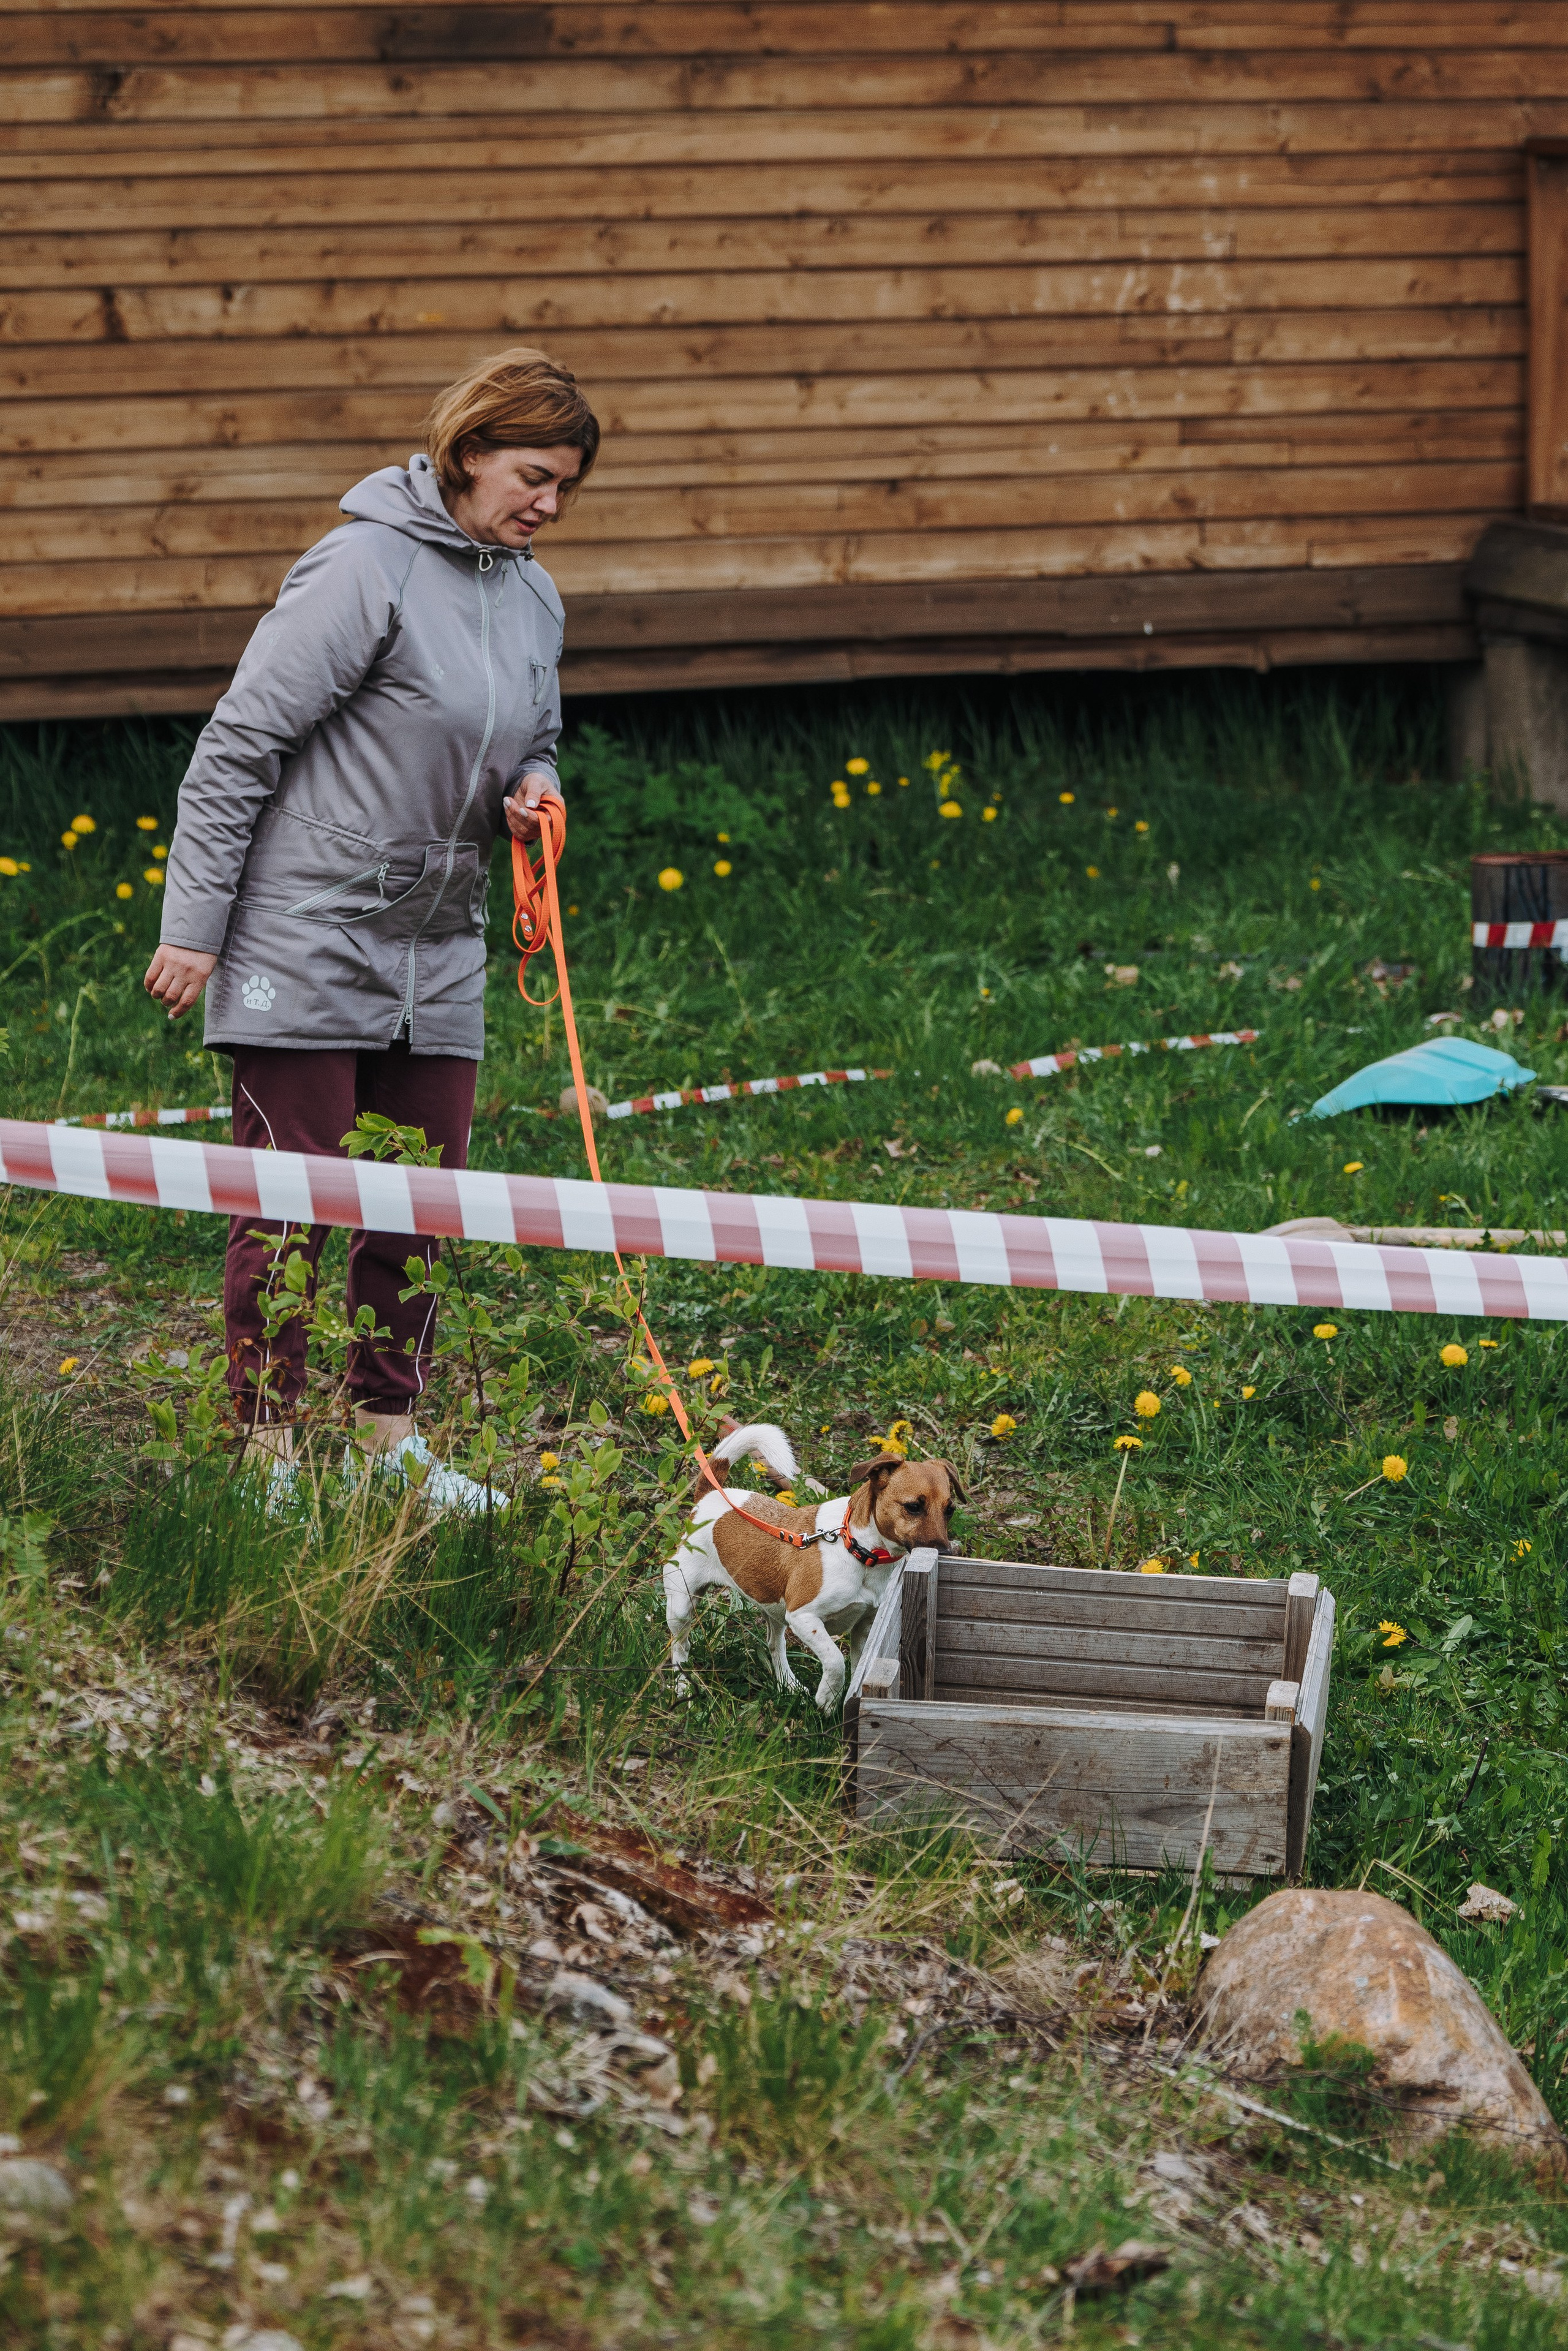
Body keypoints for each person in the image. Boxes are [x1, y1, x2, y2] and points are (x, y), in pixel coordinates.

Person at [145, 345, 599, 1506]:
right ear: (469, 451)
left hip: (440, 947)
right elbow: (237, 745)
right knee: (293, 1205)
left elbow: (533, 735)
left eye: (565, 486)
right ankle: (268, 1453)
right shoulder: (363, 565)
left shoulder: (533, 592)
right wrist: (196, 925)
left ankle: (387, 1447)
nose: (548, 504)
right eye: (534, 475)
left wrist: (536, 790)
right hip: (304, 932)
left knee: (417, 1202)